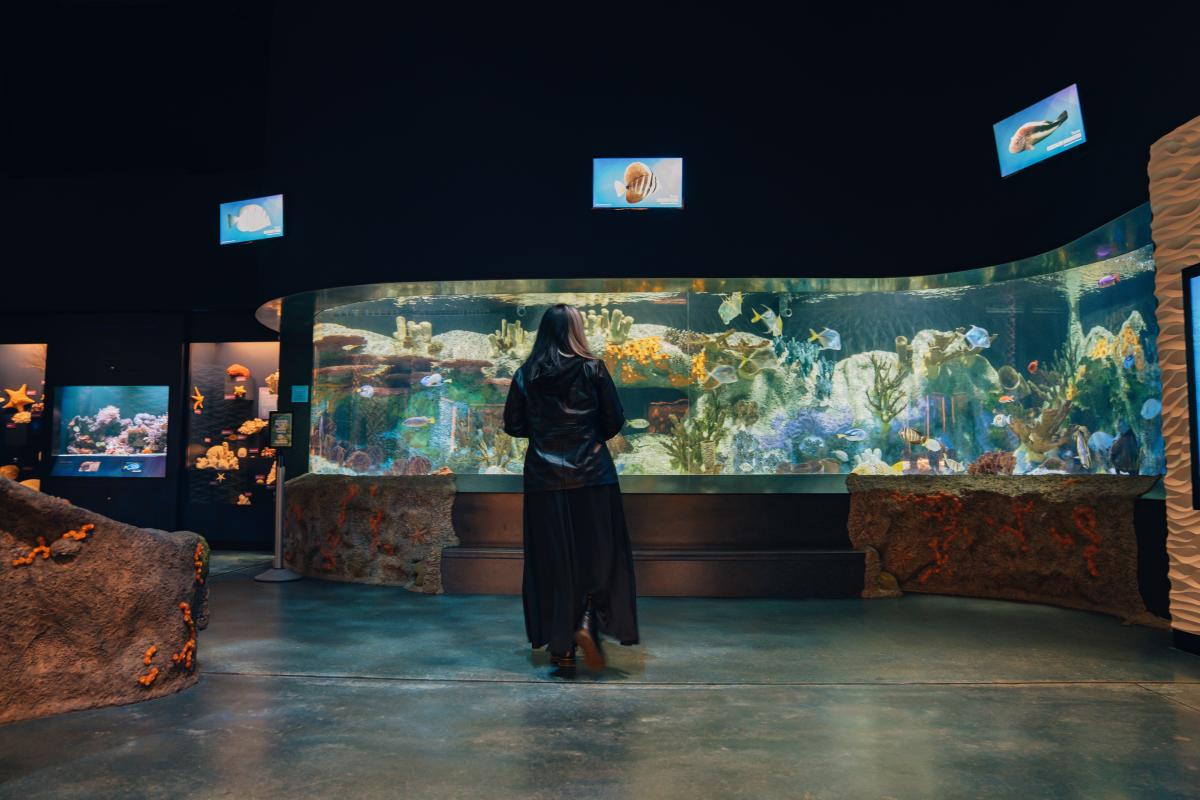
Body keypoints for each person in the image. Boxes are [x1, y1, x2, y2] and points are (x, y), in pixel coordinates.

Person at [502, 304, 639, 671]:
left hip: (544, 480)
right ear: (577, 331)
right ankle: (584, 625)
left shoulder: (526, 373)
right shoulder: (593, 369)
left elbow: (513, 425)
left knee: (553, 560)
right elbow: (613, 422)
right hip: (593, 477)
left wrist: (544, 430)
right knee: (598, 557)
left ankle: (561, 648)